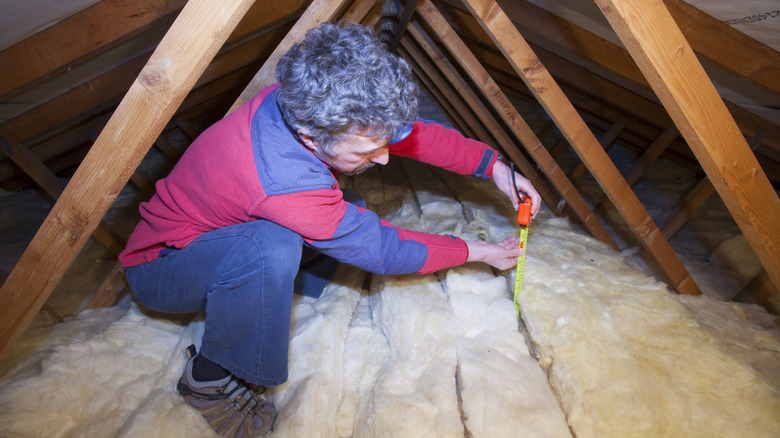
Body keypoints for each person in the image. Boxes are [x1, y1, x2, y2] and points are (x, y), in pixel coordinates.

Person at [119, 22, 541, 437]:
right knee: (273, 247)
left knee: (341, 213)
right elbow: (381, 250)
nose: (384, 160)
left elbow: (415, 137)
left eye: (383, 144)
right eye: (367, 151)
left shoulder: (308, 100)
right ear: (310, 137)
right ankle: (206, 380)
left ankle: (256, 293)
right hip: (161, 267)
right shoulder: (283, 181)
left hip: (219, 236)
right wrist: (474, 250)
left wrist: (495, 167)